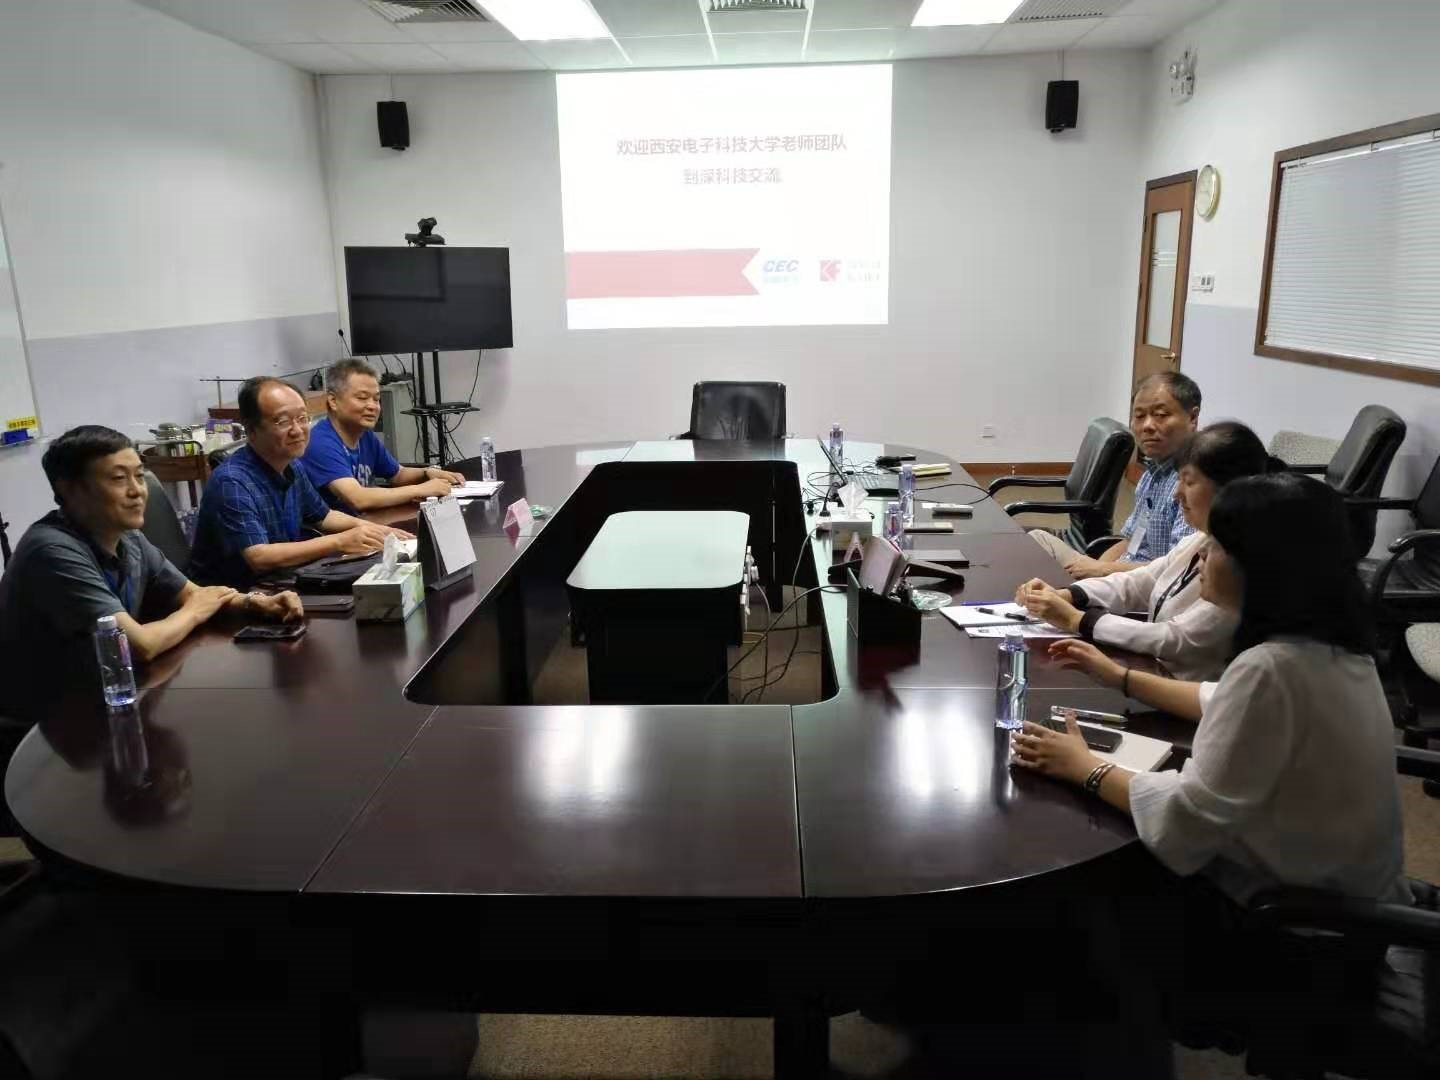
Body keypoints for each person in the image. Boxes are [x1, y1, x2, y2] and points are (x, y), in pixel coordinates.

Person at [1012, 471, 1405, 907]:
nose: (1201, 555)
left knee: (1071, 880)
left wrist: (1083, 766)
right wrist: (1117, 676)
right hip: (1352, 884)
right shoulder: (1336, 648)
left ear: (1261, 565)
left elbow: (1188, 820)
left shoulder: (1270, 669)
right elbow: (1215, 699)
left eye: (1216, 546)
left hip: (1299, 912)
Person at [0, 426, 303, 724]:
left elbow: (195, 594)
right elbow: (139, 645)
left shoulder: (128, 538)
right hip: (40, 726)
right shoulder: (51, 551)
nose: (137, 491)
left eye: (139, 475)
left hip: (109, 698)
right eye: (119, 479)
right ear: (70, 490)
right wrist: (194, 611)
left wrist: (254, 602)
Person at [1015, 421, 1279, 682]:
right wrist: (1070, 595)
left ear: (1229, 490)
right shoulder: (1199, 539)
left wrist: (1077, 620)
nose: (1177, 494)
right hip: (1151, 669)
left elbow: (1176, 639)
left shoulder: (1240, 566)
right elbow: (1142, 581)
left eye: (1189, 482)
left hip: (1179, 689)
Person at [189, 377, 412, 588]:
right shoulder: (232, 482)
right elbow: (259, 557)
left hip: (280, 583)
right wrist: (340, 541)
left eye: (302, 418)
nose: (297, 430)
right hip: (233, 598)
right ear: (251, 429)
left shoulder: (292, 465)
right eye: (283, 421)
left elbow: (324, 516)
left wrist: (374, 530)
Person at [1030, 371, 1202, 579]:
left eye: (1160, 415)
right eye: (1139, 416)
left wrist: (1101, 572)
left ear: (1192, 418)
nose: (1147, 425)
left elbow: (1178, 570)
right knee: (1035, 540)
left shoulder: (1197, 484)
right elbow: (1129, 540)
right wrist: (1095, 569)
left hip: (1144, 587)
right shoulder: (1152, 473)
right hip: (1116, 576)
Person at [299, 358, 465, 512]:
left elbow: (397, 474)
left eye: (376, 399)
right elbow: (357, 498)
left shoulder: (364, 435)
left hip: (367, 523)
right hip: (338, 531)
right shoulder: (319, 443)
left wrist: (427, 473)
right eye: (362, 398)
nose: (373, 406)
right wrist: (421, 489)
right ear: (333, 401)